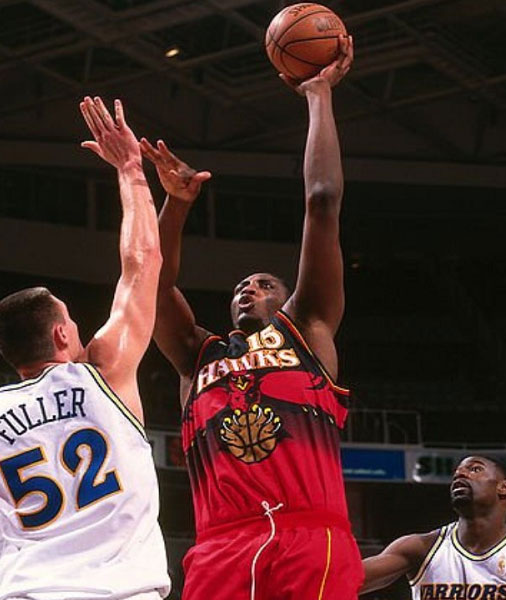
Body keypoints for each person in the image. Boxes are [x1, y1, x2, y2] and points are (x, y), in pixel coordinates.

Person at [0, 96, 169, 600]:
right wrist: (130, 169)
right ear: (60, 334)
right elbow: (142, 259)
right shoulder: (103, 371)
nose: (78, 330)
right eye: (72, 322)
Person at [144, 36, 358, 600]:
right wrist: (176, 205)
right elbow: (153, 282)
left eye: (265, 285)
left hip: (310, 535)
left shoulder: (307, 328)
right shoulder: (197, 356)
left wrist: (318, 96)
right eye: (241, 287)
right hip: (218, 547)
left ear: (286, 298)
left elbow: (321, 200)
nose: (249, 290)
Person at [361, 455, 506, 598]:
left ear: (504, 487)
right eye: (456, 472)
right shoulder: (421, 547)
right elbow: (346, 580)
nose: (460, 473)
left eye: (475, 469)